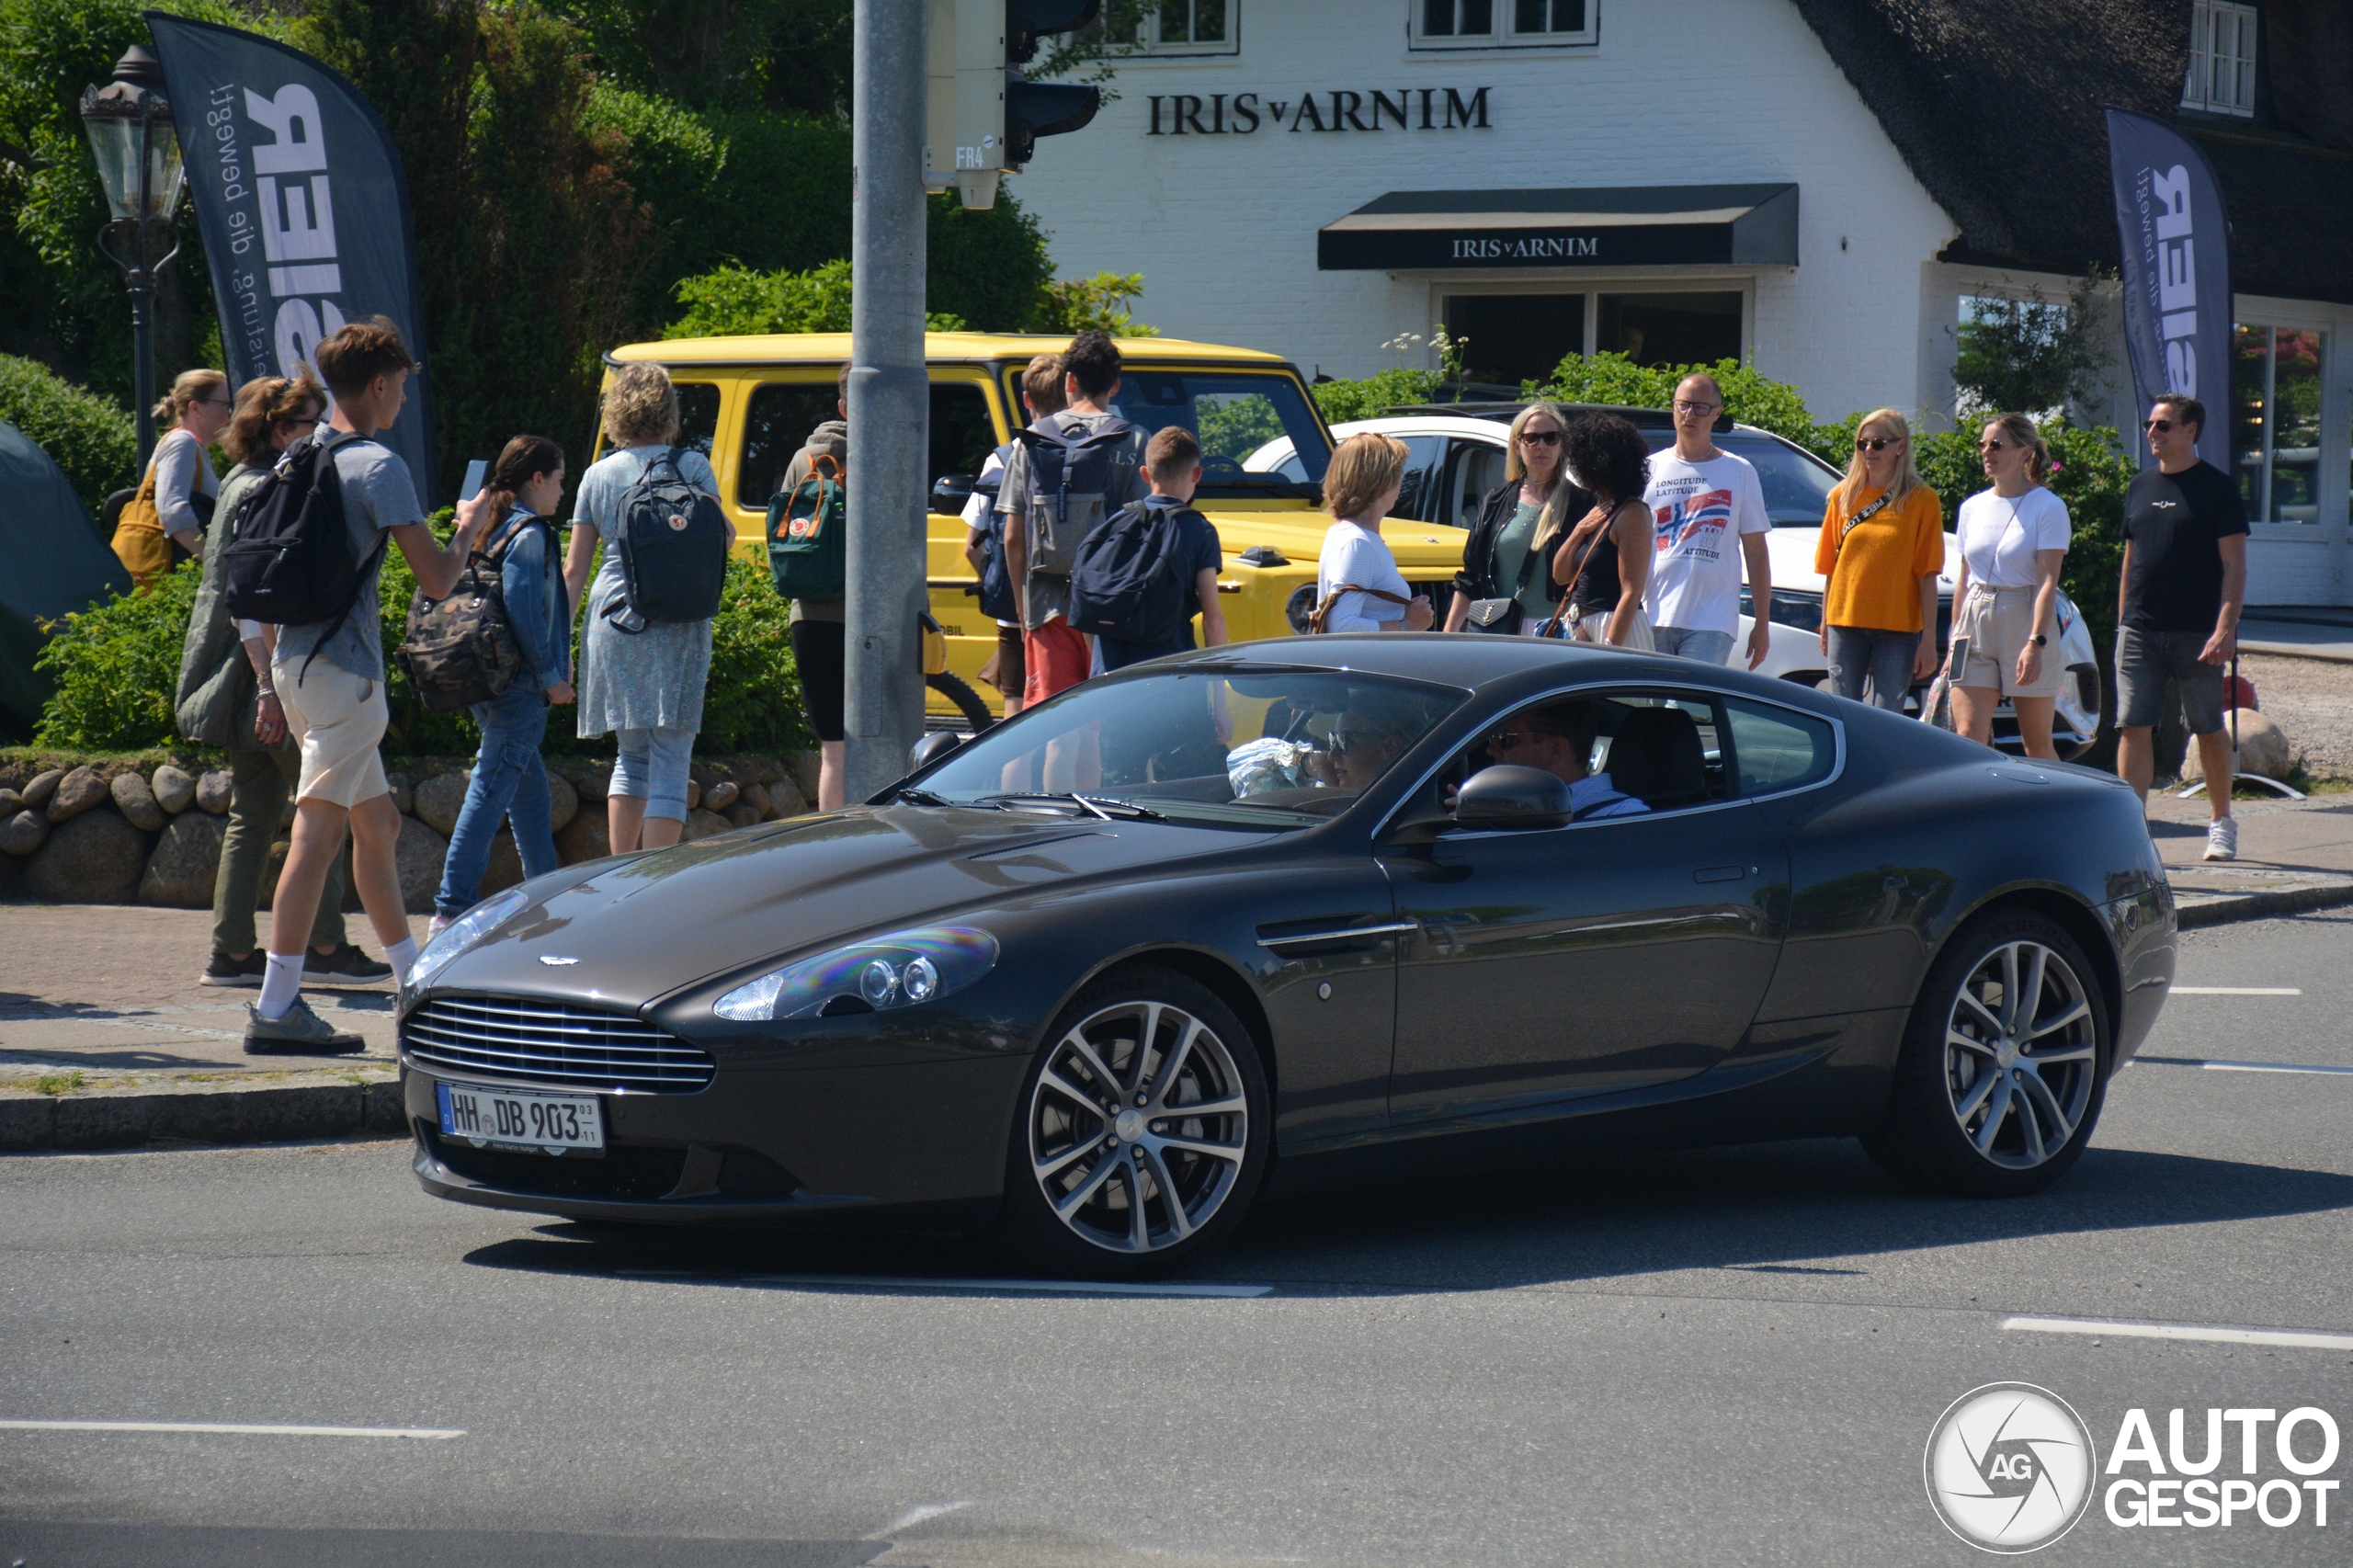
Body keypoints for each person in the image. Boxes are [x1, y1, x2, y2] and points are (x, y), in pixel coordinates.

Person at [248, 317, 500, 1052]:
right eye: (400, 392)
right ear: (383, 385)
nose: (400, 406)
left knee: (378, 824)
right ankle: (275, 1007)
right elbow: (439, 579)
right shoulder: (378, 467)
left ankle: (415, 981)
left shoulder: (302, 453)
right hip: (346, 676)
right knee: (318, 832)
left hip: (296, 665)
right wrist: (470, 528)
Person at [176, 372, 383, 990]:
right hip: (267, 670)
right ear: (277, 429)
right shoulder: (270, 487)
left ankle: (233, 951)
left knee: (254, 810)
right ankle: (322, 945)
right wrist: (268, 686)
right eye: (309, 423)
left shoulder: (239, 483)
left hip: (236, 670)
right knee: (320, 815)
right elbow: (254, 600)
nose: (321, 434)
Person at [566, 363, 723, 850]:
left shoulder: (597, 475)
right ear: (669, 410)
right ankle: (656, 887)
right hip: (680, 619)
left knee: (630, 756)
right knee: (672, 757)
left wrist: (554, 646)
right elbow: (724, 538)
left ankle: (621, 879)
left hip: (615, 619)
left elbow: (575, 569)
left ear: (616, 411)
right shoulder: (692, 466)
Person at [431, 436, 575, 936]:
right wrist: (551, 677)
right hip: (519, 685)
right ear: (536, 479)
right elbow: (524, 610)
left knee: (529, 793)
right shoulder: (530, 533)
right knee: (491, 789)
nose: (563, 490)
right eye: (559, 479)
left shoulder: (488, 522)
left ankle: (545, 896)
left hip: (483, 678)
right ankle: (451, 908)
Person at [2114, 394, 2248, 860]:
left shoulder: (2218, 488)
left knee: (2207, 726)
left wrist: (2225, 628)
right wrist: (2122, 623)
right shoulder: (2139, 486)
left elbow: (2234, 565)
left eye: (2164, 425)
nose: (2154, 432)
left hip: (2198, 633)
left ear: (2191, 430)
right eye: (2151, 424)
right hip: (2140, 630)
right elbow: (2131, 561)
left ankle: (2221, 822)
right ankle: (2131, 831)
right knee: (2134, 724)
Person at [999, 329, 1148, 705]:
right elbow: (1144, 530)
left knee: (1054, 728)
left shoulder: (1033, 438)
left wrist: (1022, 608)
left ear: (1069, 380)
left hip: (1047, 607)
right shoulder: (1134, 441)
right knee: (1107, 720)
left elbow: (1013, 535)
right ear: (1115, 386)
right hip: (1109, 610)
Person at [1949, 413, 2070, 759]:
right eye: (1983, 444)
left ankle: (2056, 812)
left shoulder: (2048, 506)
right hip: (1974, 620)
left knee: (2035, 742)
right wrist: (1954, 635)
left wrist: (2036, 640)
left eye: (1997, 445)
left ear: (2024, 453)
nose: (1987, 451)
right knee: (1967, 736)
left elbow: (2048, 579)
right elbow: (1964, 578)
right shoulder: (1972, 507)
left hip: (2024, 615)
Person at [1813, 407, 1944, 710]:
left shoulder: (1922, 500)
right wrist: (1824, 622)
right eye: (1863, 444)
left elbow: (1928, 575)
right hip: (1845, 622)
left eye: (1878, 443)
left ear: (1901, 447)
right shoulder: (1842, 496)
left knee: (1889, 717)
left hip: (1897, 628)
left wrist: (1928, 641)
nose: (1869, 450)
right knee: (1844, 713)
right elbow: (1830, 568)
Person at [961, 352, 1067, 718]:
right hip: (1066, 609)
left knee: (1016, 712)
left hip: (1014, 612)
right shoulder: (1083, 452)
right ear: (1070, 393)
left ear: (1026, 400)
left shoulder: (1002, 459)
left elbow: (971, 547)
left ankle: (1015, 778)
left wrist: (1003, 586)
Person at [1641, 372, 1772, 666]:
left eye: (1701, 408)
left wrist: (1762, 624)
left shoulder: (1740, 471)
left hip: (1712, 621)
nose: (1690, 414)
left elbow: (1756, 552)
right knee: (1652, 708)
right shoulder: (1648, 468)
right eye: (1684, 405)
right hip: (1653, 613)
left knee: (1690, 708)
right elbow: (1629, 543)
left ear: (1717, 414)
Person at [1096, 426, 1229, 671]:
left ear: (1145, 474)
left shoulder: (1113, 524)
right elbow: (1212, 619)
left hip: (1110, 676)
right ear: (1197, 474)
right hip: (1169, 673)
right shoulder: (1200, 530)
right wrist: (1220, 693)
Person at [1444, 401, 1583, 634]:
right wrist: (1448, 635)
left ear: (1562, 445)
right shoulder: (1496, 501)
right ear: (1517, 446)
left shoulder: (1581, 503)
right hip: (1500, 630)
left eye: (1551, 438)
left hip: (1558, 631)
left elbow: (1590, 576)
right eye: (1532, 438)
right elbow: (1470, 578)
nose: (1541, 446)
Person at [779, 363, 849, 810]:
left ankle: (836, 850)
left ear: (841, 405)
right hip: (864, 622)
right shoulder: (882, 452)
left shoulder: (802, 459)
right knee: (885, 743)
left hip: (807, 618)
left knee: (834, 754)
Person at [113, 369, 230, 589]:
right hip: (169, 579)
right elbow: (173, 510)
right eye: (224, 405)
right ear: (195, 408)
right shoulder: (182, 443)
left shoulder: (191, 447)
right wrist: (215, 564)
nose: (230, 414)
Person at [1313, 432, 1433, 634]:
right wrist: (1408, 625)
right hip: (1367, 664)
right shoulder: (1356, 542)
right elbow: (1342, 626)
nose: (1401, 482)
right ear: (1380, 482)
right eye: (1398, 474)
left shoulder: (1355, 536)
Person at [1553, 414, 1656, 648]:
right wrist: (1580, 530)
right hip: (1581, 627)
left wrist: (1611, 647)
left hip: (1615, 631)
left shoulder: (1632, 513)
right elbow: (1560, 576)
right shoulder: (1600, 510)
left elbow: (1632, 592)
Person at [1480, 701, 1647, 818]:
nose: (1491, 749)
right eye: (1492, 737)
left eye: (1504, 739)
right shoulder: (1520, 808)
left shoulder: (1624, 817)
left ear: (1555, 749)